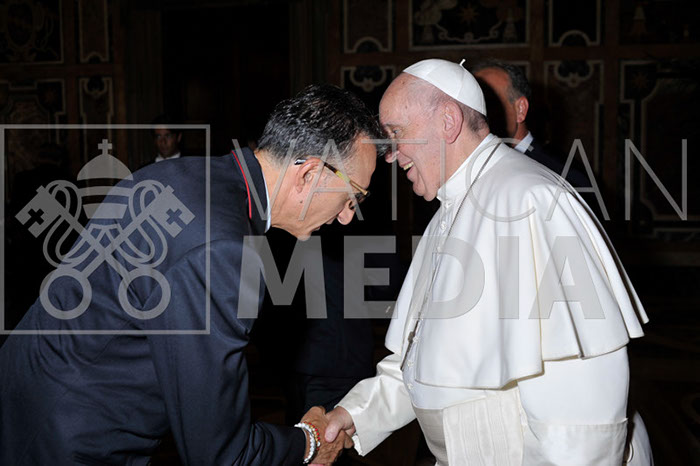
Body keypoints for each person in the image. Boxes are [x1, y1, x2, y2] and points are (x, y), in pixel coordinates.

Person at [0, 84, 381, 465]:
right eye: (353, 196)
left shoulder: (178, 174)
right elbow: (221, 454)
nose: (347, 216)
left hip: (26, 402)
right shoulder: (224, 250)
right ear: (310, 173)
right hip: (72, 439)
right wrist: (310, 442)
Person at [323, 59, 652, 465]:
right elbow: (424, 361)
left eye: (396, 134)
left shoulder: (532, 201)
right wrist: (354, 416)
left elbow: (582, 406)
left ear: (448, 121)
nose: (390, 155)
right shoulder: (449, 210)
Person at [471, 60, 593, 191]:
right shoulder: (470, 168)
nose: (478, 115)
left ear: (521, 109)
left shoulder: (564, 177)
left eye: (489, 103)